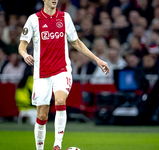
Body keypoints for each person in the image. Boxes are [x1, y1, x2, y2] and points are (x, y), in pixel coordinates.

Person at [18, 1, 110, 150]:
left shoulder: (65, 18)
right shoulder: (33, 19)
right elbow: (22, 44)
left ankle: (57, 145)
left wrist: (97, 59)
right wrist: (24, 54)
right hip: (41, 73)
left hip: (62, 70)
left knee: (60, 101)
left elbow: (77, 42)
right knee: (42, 115)